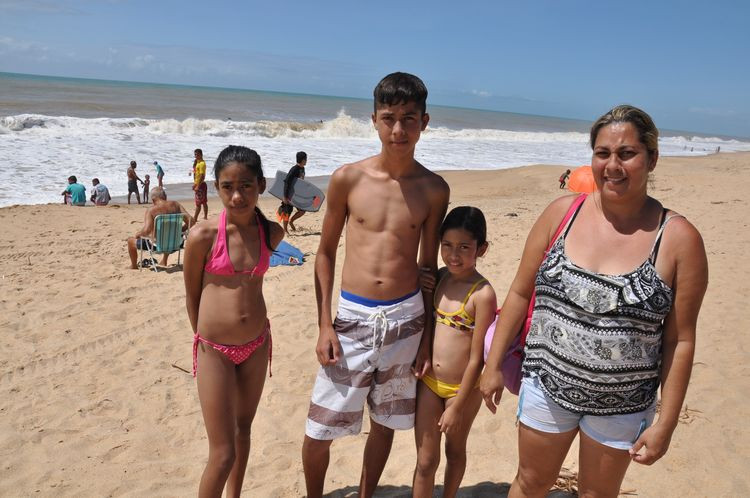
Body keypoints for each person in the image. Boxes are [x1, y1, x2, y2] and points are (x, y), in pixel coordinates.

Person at [480, 105, 709, 497]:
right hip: (546, 386)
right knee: (531, 483)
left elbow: (680, 340)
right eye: (602, 153)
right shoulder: (560, 214)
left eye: (626, 154)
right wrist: (492, 365)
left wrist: (666, 422)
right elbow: (520, 292)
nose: (612, 165)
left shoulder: (678, 240)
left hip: (623, 405)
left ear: (652, 158)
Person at [301, 72, 450, 498]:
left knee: (386, 422)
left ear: (425, 121)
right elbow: (326, 252)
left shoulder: (434, 189)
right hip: (352, 318)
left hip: (407, 319)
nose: (398, 129)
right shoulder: (349, 179)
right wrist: (324, 324)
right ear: (373, 120)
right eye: (389, 118)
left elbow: (428, 265)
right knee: (320, 426)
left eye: (408, 119)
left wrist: (427, 339)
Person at [183, 145, 284, 496]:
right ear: (216, 187)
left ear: (261, 184)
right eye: (228, 187)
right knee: (222, 454)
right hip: (215, 350)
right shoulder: (202, 236)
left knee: (244, 432)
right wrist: (204, 338)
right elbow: (192, 295)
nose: (237, 196)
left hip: (257, 344)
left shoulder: (272, 233)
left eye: (246, 186)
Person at [413, 206, 496, 498]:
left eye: (464, 247)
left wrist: (458, 406)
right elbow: (428, 324)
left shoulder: (482, 294)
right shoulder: (439, 277)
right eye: (446, 246)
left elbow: (478, 358)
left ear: (481, 249)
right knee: (425, 460)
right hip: (429, 383)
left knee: (454, 450)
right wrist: (423, 351)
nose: (453, 255)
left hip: (463, 390)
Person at [127, 187, 194, 269]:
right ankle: (164, 261)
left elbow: (146, 231)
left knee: (130, 241)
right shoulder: (176, 205)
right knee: (169, 233)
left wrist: (138, 234)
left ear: (153, 199)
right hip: (177, 244)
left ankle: (133, 266)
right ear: (165, 196)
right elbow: (192, 221)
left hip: (157, 247)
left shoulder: (151, 210)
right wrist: (180, 230)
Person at [281, 151, 308, 235]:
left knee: (302, 210)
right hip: (289, 194)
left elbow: (300, 182)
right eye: (306, 159)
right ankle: (285, 230)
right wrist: (285, 196)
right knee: (287, 211)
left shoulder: (302, 169)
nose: (307, 161)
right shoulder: (294, 169)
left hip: (297, 194)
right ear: (302, 160)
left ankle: (291, 221)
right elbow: (287, 182)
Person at [192, 148, 209, 221]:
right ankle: (205, 216)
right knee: (203, 202)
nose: (196, 156)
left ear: (201, 155)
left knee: (199, 203)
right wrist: (195, 184)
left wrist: (198, 185)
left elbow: (202, 176)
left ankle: (195, 218)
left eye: (197, 154)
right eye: (195, 154)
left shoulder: (202, 163)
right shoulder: (197, 162)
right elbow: (196, 174)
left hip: (201, 185)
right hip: (198, 184)